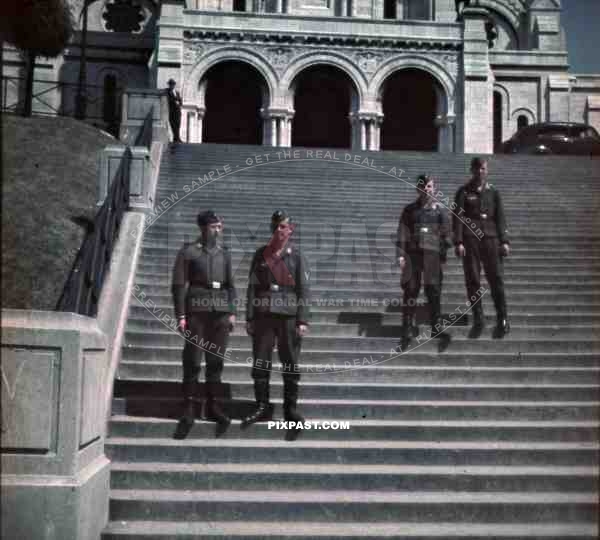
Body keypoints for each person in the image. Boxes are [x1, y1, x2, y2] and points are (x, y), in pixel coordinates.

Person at [242, 210, 310, 441]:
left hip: (289, 316)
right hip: (263, 315)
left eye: (283, 227)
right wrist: (249, 316)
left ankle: (290, 411)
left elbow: (303, 289)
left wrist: (302, 319)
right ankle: (262, 406)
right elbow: (252, 287)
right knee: (261, 361)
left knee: (290, 363)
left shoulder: (297, 257)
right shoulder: (261, 254)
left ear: (291, 230)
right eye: (276, 226)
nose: (279, 230)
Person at [171, 211, 236, 438]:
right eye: (214, 227)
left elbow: (231, 286)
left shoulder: (224, 254)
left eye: (220, 227)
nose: (218, 231)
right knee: (193, 360)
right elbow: (179, 285)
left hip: (220, 312)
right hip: (196, 311)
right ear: (202, 228)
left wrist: (232, 312)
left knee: (216, 360)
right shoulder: (188, 251)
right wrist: (181, 315)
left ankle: (213, 406)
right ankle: (188, 408)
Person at [453, 157, 510, 338]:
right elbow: (457, 219)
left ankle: (502, 318)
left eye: (483, 169)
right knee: (473, 279)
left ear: (487, 171)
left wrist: (504, 240)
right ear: (472, 170)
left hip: (491, 240)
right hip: (471, 240)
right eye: (477, 169)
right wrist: (458, 241)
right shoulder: (463, 192)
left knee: (496, 279)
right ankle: (478, 317)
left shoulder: (493, 192)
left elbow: (500, 218)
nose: (480, 172)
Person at [396, 175, 451, 351]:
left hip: (432, 257)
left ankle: (436, 327)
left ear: (433, 188)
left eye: (429, 186)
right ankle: (407, 328)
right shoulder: (410, 210)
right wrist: (400, 255)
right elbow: (402, 233)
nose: (426, 189)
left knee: (434, 291)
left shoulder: (440, 210)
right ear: (417, 189)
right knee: (410, 291)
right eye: (423, 186)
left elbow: (447, 234)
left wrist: (442, 252)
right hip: (413, 256)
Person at [166, 78, 182, 143]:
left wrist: (179, 101)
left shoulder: (177, 92)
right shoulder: (167, 91)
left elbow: (181, 101)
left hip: (178, 111)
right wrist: (176, 100)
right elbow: (169, 100)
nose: (172, 85)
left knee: (178, 125)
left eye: (172, 84)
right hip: (172, 111)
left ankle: (177, 138)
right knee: (173, 125)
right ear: (169, 85)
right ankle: (176, 138)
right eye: (170, 84)